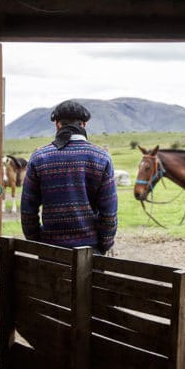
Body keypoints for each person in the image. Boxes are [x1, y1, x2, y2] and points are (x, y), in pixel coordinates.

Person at [21, 100, 117, 254]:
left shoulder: (39, 158)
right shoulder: (102, 158)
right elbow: (109, 213)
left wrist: (36, 243)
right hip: (90, 252)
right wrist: (103, 246)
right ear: (83, 125)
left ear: (58, 125)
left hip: (50, 253)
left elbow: (28, 211)